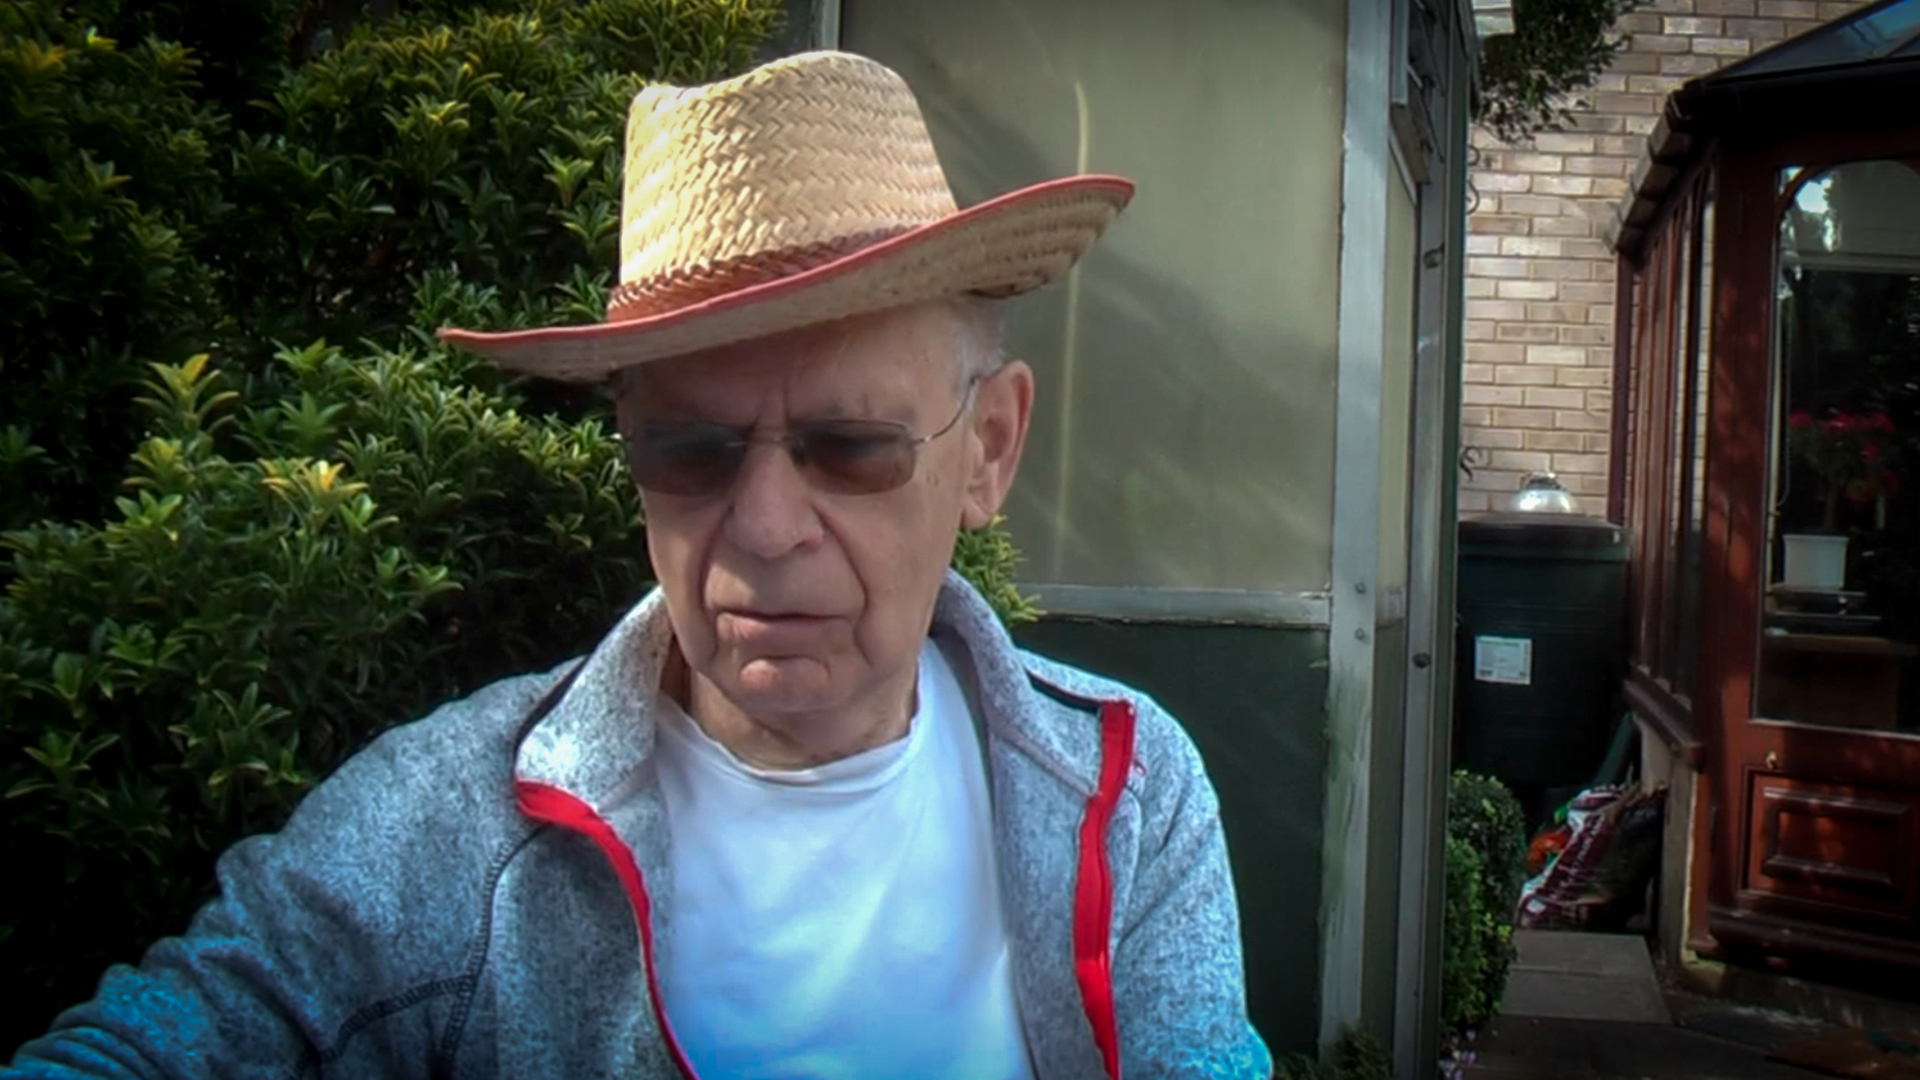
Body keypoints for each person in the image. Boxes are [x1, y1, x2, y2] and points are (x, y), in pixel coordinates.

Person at [6, 50, 1269, 1079]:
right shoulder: (452, 823)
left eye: (849, 447)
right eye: (691, 451)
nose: (765, 524)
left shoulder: (1129, 791)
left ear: (988, 448)